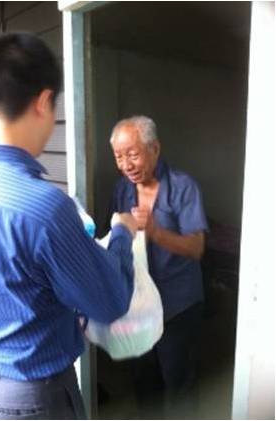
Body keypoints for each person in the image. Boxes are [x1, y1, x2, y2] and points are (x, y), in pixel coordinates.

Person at [0, 33, 138, 420]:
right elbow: (109, 303)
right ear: (43, 102)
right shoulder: (43, 208)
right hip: (28, 400)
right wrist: (122, 232)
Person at [109, 115, 208, 419]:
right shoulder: (122, 189)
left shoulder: (182, 187)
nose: (126, 164)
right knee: (143, 378)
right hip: (139, 304)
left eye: (133, 154)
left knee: (178, 383)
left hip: (178, 305)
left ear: (155, 148)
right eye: (119, 156)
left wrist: (155, 232)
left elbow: (197, 248)